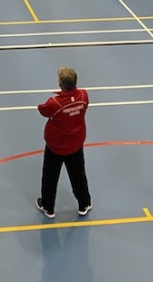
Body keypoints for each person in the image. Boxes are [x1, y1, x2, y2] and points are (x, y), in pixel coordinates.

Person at [35, 67, 92, 219]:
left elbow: (42, 110)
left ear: (60, 84)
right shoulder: (83, 95)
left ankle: (48, 207)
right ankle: (84, 203)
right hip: (75, 145)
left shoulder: (54, 103)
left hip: (56, 147)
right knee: (78, 175)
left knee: (50, 178)